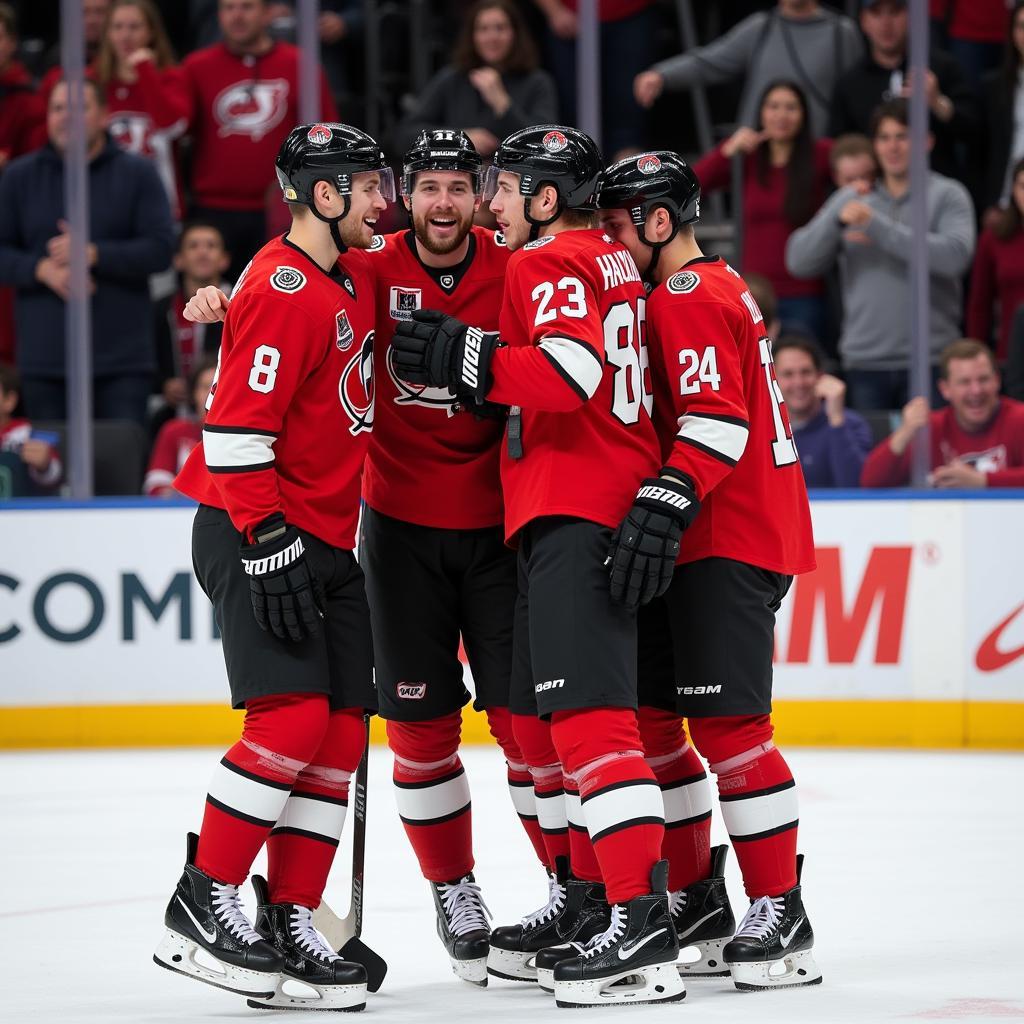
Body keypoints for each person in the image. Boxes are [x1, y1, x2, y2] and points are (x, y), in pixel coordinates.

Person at [181, 129, 591, 988]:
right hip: (387, 533)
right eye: (420, 187)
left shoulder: (520, 265)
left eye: (458, 187)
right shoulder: (361, 267)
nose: (438, 203)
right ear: (397, 192)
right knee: (405, 730)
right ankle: (452, 890)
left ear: (482, 193)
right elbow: (280, 295)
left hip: (496, 531)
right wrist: (234, 299)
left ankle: (574, 889)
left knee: (518, 730)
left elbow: (577, 331)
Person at [391, 125, 685, 1007]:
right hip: (603, 503)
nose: (490, 204)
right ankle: (602, 906)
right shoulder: (611, 260)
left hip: (575, 507)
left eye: (507, 188)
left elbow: (572, 369)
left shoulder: (542, 263)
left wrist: (461, 354)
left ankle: (639, 925)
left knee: (593, 733)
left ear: (547, 199)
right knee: (570, 732)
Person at [153, 122, 394, 1011]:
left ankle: (292, 919)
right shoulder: (286, 290)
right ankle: (202, 897)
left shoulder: (352, 269)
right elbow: (234, 432)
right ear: (325, 197)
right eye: (367, 188)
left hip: (326, 538)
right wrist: (267, 540)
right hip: (255, 529)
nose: (384, 201)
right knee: (289, 724)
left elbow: (436, 249)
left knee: (336, 739)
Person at [595, 150, 820, 992]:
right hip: (706, 536)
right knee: (655, 726)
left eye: (618, 223)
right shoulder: (703, 287)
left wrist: (665, 496)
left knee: (730, 734)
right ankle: (696, 898)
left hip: (727, 534)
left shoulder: (686, 295)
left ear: (659, 222)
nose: (609, 240)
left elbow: (716, 420)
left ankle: (782, 908)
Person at [0, 78, 175, 424]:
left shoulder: (138, 173)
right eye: (58, 108)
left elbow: (161, 250)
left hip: (122, 361)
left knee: (120, 469)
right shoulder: (20, 177)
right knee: (50, 471)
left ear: (104, 116)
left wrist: (94, 254)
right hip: (45, 360)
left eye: (80, 107)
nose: (67, 117)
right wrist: (42, 270)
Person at [786, 99, 976, 411]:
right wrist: (836, 216)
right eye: (884, 138)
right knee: (873, 461)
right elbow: (798, 261)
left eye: (903, 137)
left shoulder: (948, 194)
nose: (893, 147)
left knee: (932, 460)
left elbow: (955, 257)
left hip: (930, 359)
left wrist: (875, 226)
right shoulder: (852, 198)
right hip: (865, 362)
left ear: (926, 142)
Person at [179, 0, 338, 280]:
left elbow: (323, 135)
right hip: (213, 211)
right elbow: (176, 129)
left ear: (267, 13)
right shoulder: (196, 67)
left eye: (246, 7)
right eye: (229, 8)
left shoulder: (299, 64)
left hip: (283, 209)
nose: (237, 16)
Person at [693, 80, 833, 343]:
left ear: (804, 115)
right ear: (761, 113)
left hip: (804, 293)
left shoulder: (819, 154)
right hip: (754, 292)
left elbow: (858, 168)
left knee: (799, 374)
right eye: (774, 106)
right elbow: (692, 184)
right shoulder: (748, 158)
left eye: (791, 107)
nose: (781, 115)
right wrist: (725, 152)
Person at [634, 0, 862, 138]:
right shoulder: (761, 27)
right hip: (759, 158)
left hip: (814, 160)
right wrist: (662, 75)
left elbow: (857, 97)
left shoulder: (842, 33)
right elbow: (709, 61)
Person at [829, 0, 977, 185]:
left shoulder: (942, 68)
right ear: (864, 21)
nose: (886, 23)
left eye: (895, 12)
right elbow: (840, 149)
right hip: (873, 196)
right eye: (877, 14)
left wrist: (937, 102)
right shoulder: (849, 83)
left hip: (935, 192)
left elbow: (976, 133)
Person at [393, 0, 557, 159]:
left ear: (515, 33)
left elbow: (545, 145)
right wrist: (459, 139)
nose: (492, 37)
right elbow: (404, 135)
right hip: (458, 180)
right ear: (472, 36)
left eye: (500, 28)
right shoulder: (452, 78)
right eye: (483, 29)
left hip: (514, 180)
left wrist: (503, 105)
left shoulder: (538, 82)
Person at [861, 338, 1024, 487]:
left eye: (983, 379)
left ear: (997, 381)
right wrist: (905, 431)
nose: (976, 390)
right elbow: (870, 482)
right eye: (964, 382)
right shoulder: (930, 428)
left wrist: (983, 481)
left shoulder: (1019, 418)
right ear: (945, 389)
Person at [94, 0, 189, 219]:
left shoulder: (171, 78)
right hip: (105, 199)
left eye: (134, 27)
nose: (125, 36)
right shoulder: (95, 81)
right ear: (107, 33)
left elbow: (173, 126)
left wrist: (145, 72)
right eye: (117, 27)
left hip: (159, 201)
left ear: (151, 32)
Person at [531, 0, 657, 159]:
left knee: (629, 103)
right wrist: (554, 10)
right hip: (569, 16)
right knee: (573, 106)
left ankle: (626, 173)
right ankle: (579, 171)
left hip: (630, 12)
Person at [773, 334, 872, 487]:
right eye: (788, 374)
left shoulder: (850, 423)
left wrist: (836, 421)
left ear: (820, 376)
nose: (798, 383)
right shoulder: (760, 430)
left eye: (806, 372)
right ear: (772, 380)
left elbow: (856, 489)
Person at [155, 220, 231, 413]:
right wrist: (163, 384)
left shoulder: (240, 304)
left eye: (211, 246)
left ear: (224, 260)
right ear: (178, 260)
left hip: (227, 404)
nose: (202, 252)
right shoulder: (161, 308)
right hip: (173, 411)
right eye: (193, 246)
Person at [967, 158, 1024, 362]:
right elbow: (979, 303)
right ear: (1013, 190)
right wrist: (976, 354)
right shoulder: (995, 238)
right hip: (1012, 354)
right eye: (1023, 186)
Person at [143, 352, 216, 496]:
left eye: (217, 386)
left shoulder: (245, 435)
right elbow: (155, 487)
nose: (211, 394)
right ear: (193, 394)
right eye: (205, 387)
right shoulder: (175, 431)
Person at [980, 3, 1024, 217]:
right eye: (1022, 26)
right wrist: (990, 203)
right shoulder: (994, 86)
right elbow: (983, 151)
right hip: (1005, 204)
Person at [0, 362, 61, 496]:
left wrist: (44, 465)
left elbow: (54, 478)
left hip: (18, 511)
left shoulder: (27, 433)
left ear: (9, 400)